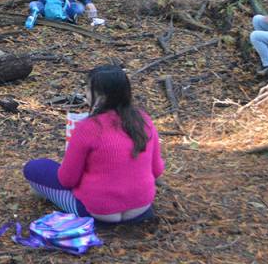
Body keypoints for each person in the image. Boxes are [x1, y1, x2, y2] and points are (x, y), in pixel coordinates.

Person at [23, 65, 164, 224]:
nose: (86, 93)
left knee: (34, 168)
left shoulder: (88, 127)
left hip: (97, 213)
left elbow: (67, 180)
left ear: (101, 96)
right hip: (141, 208)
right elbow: (157, 169)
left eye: (88, 89)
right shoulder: (143, 119)